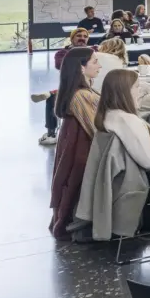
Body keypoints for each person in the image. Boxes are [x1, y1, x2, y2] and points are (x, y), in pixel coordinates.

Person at [50, 47, 102, 240]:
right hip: (81, 150)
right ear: (81, 67)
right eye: (95, 61)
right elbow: (97, 128)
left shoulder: (75, 91)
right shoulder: (82, 96)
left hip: (72, 145)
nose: (100, 65)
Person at [95, 70, 150, 174]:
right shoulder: (127, 121)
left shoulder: (109, 115)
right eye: (137, 86)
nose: (140, 90)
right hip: (141, 174)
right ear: (125, 91)